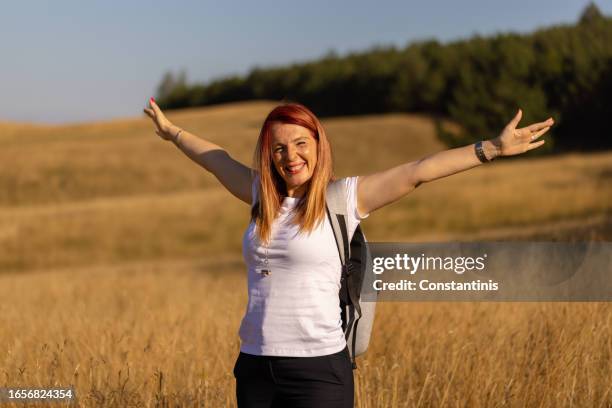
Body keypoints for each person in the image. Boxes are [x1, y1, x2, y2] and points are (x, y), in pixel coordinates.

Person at [143, 98, 553, 407]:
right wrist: (172, 132)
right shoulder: (259, 196)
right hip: (254, 366)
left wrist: (491, 149)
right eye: (279, 148)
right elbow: (216, 159)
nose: (291, 156)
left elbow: (417, 172)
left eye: (301, 143)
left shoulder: (344, 198)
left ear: (319, 146)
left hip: (318, 370)